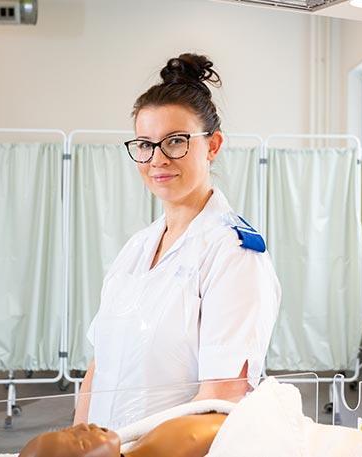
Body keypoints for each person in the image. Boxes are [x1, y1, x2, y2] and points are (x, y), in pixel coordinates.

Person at [73, 53, 282, 429]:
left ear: (213, 145)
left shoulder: (233, 254)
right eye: (145, 144)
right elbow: (98, 367)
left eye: (176, 141)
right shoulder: (136, 249)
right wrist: (75, 443)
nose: (157, 159)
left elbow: (220, 398)